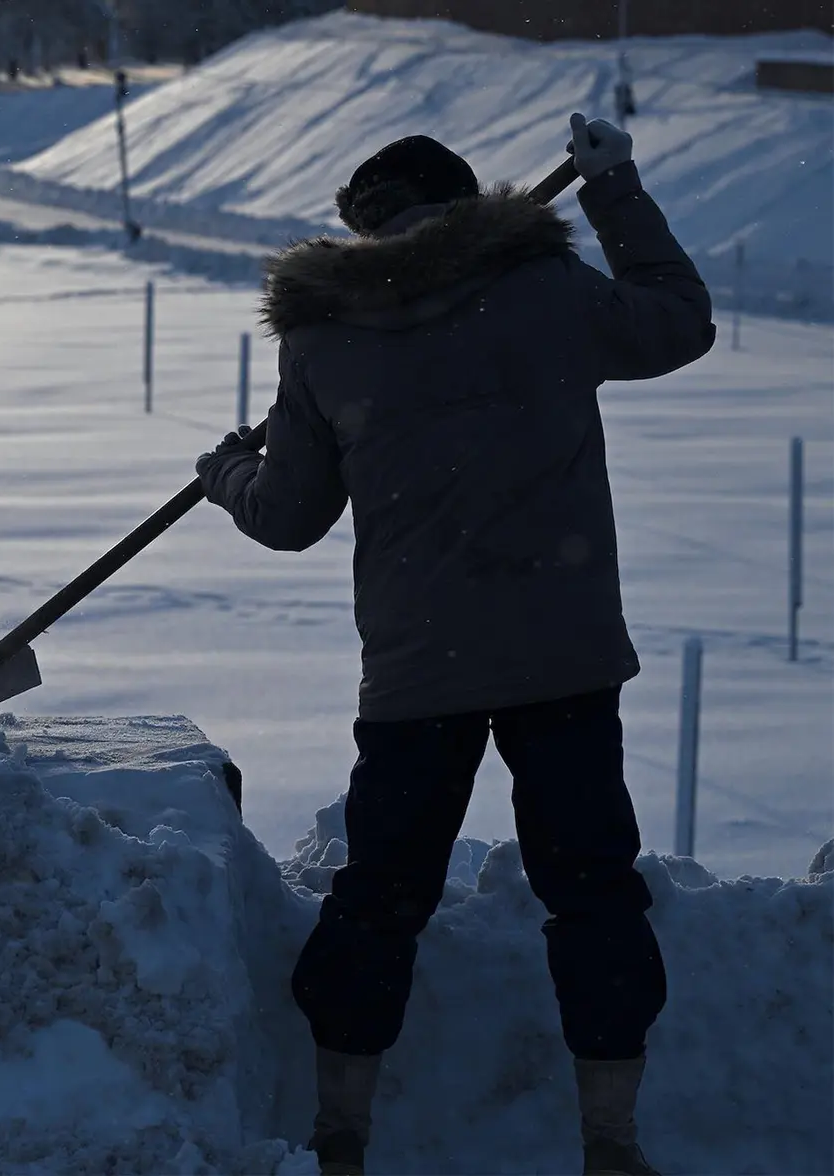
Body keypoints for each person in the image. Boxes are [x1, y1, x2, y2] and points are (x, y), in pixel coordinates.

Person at [194, 116, 714, 1176]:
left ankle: (340, 1132)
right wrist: (613, 189)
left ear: (362, 228)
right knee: (591, 889)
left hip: (415, 669)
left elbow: (288, 515)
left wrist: (225, 477)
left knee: (379, 896)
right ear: (468, 203)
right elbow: (678, 321)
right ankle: (609, 1141)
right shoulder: (549, 295)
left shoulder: (323, 339)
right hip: (560, 659)